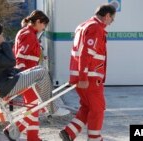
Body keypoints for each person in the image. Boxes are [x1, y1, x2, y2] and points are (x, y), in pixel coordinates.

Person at [0, 22, 60, 141]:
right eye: (1, 35)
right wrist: (3, 44)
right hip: (7, 86)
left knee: (39, 69)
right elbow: (11, 61)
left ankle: (49, 105)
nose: (3, 36)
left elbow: (7, 65)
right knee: (41, 73)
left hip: (8, 82)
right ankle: (52, 108)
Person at [59, 4, 116, 141]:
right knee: (97, 108)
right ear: (107, 16)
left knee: (87, 106)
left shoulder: (83, 25)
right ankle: (94, 138)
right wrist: (83, 77)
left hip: (81, 75)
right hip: (89, 77)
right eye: (112, 19)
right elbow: (86, 54)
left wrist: (79, 76)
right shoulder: (96, 28)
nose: (111, 22)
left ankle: (69, 132)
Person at [13, 10, 70, 141]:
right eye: (44, 25)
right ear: (38, 22)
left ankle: (27, 135)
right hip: (28, 77)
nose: (44, 28)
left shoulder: (25, 33)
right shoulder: (28, 34)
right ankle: (25, 134)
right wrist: (25, 77)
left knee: (34, 106)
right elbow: (20, 57)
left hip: (28, 76)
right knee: (34, 106)